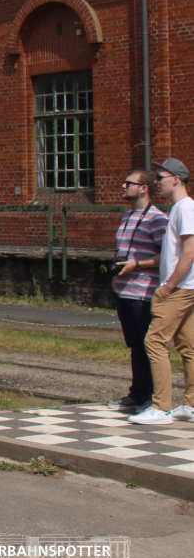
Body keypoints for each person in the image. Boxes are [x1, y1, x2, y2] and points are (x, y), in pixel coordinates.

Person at [130, 158, 194, 425]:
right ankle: (190, 405)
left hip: (179, 288)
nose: (156, 182)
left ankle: (161, 407)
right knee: (188, 345)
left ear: (176, 180)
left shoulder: (185, 208)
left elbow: (190, 251)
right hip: (184, 287)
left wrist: (168, 286)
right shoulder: (180, 208)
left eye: (160, 177)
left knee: (154, 341)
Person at [110, 169, 168, 413]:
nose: (124, 186)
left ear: (143, 188)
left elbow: (166, 256)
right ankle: (137, 392)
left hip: (144, 291)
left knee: (148, 345)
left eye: (129, 183)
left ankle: (153, 396)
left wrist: (139, 265)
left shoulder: (157, 219)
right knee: (135, 344)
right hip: (124, 290)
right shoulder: (127, 216)